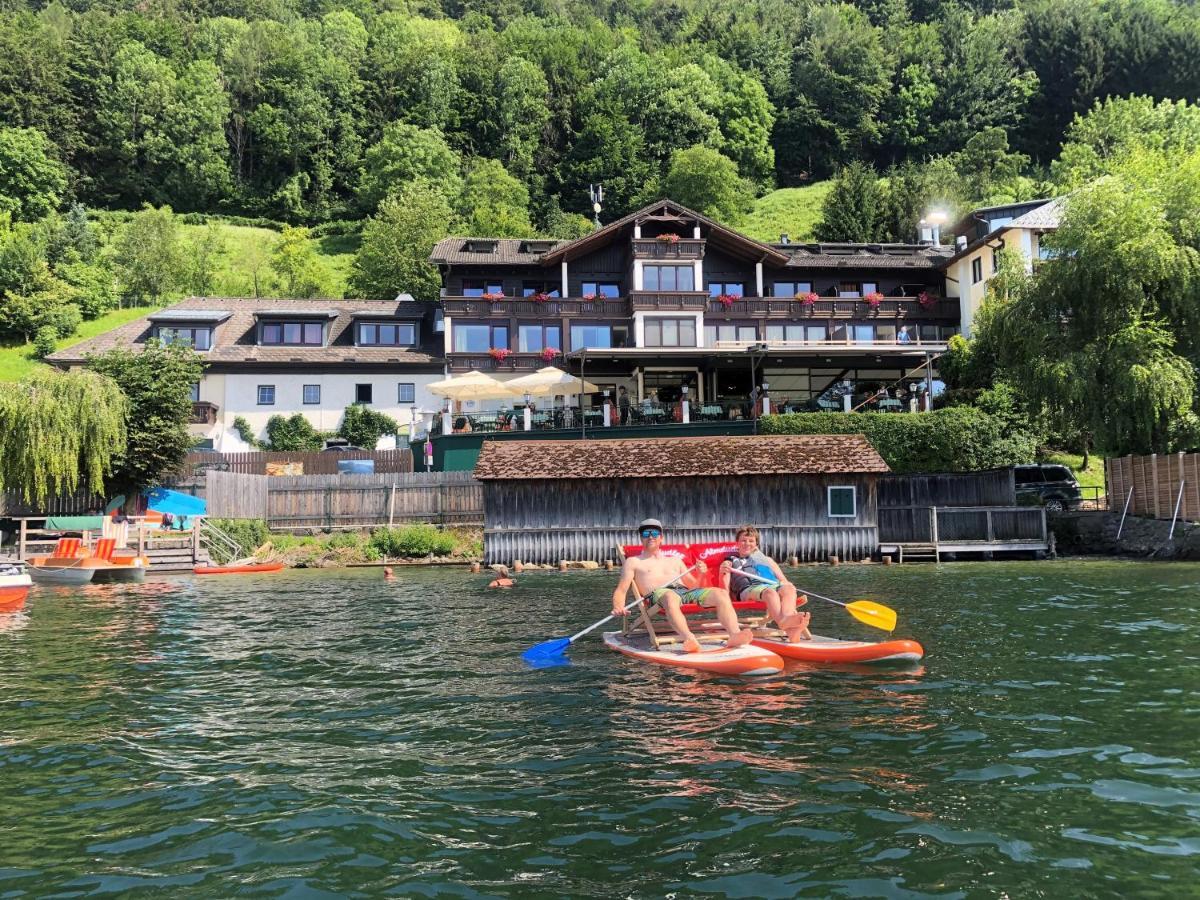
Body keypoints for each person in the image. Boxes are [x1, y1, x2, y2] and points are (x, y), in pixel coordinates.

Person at [612, 518, 752, 653]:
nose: (650, 537)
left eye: (654, 533)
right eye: (645, 534)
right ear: (641, 538)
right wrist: (618, 606)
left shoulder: (675, 560)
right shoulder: (633, 562)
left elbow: (693, 585)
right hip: (659, 596)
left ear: (661, 537)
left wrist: (701, 573)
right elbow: (621, 589)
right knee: (670, 596)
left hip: (684, 592)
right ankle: (689, 638)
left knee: (720, 594)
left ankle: (734, 635)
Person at [719, 525, 811, 642]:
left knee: (789, 588)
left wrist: (785, 584)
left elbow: (784, 580)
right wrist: (726, 598)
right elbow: (724, 585)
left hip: (769, 586)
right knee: (770, 593)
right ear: (737, 543)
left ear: (756, 544)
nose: (747, 543)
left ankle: (789, 625)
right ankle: (784, 623)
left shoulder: (767, 560)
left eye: (751, 541)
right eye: (743, 540)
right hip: (749, 589)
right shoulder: (729, 562)